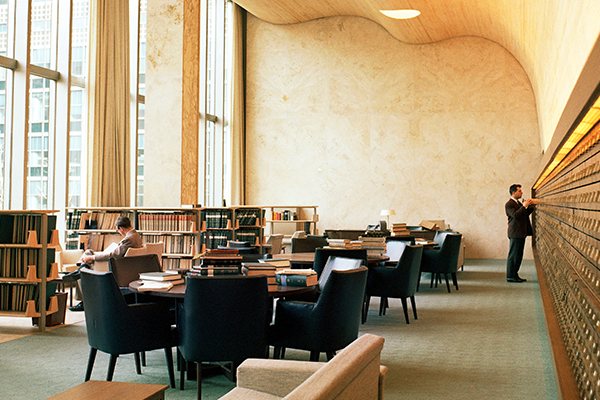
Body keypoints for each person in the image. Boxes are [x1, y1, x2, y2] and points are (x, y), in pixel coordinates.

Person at [63, 216, 143, 311]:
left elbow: (114, 255)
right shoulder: (136, 236)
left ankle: (79, 274)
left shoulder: (128, 238)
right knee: (89, 252)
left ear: (121, 228)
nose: (119, 233)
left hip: (115, 266)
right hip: (126, 265)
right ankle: (80, 270)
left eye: (118, 230)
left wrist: (92, 258)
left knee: (88, 260)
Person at [505, 184, 539, 283]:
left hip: (521, 233)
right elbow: (515, 215)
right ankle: (510, 276)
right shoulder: (509, 204)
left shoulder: (518, 203)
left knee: (518, 255)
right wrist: (524, 206)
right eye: (519, 191)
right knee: (513, 255)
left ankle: (515, 274)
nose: (522, 192)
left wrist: (530, 207)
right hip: (515, 233)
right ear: (514, 192)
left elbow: (523, 214)